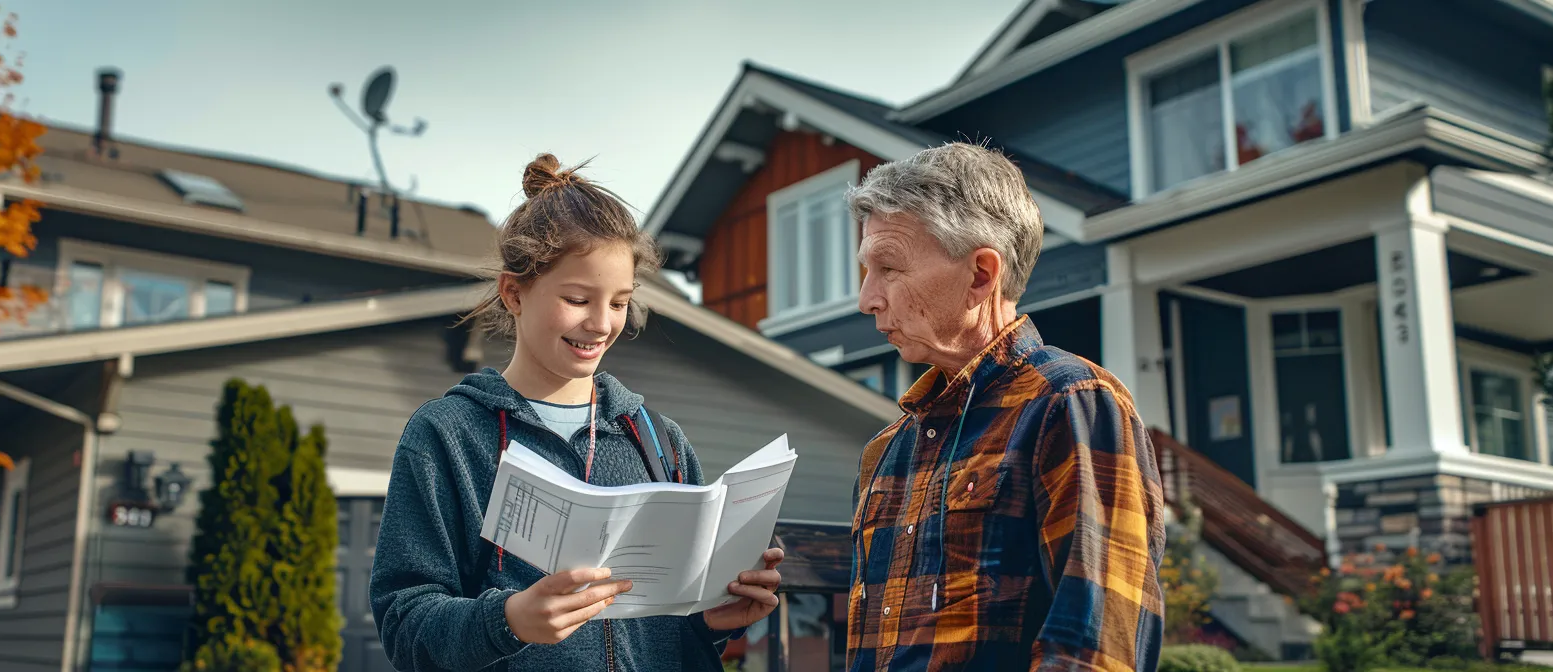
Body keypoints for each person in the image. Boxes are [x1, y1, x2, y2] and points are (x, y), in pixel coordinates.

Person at [369, 153, 785, 672]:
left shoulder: (660, 441)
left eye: (618, 302)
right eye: (577, 298)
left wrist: (711, 617)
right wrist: (509, 621)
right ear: (513, 293)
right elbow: (405, 624)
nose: (601, 324)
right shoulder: (447, 435)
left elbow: (668, 631)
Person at [843, 143, 1165, 671]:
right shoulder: (888, 449)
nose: (867, 298)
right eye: (866, 269)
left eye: (889, 267)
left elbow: (1095, 650)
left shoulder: (1072, 403)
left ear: (981, 275)